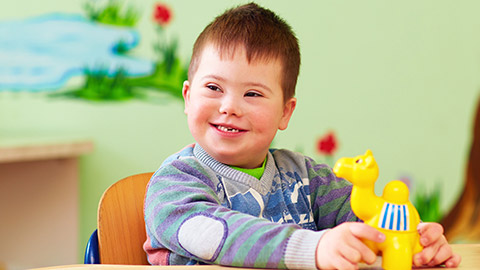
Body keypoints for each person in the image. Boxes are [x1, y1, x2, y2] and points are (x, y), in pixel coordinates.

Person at [143, 2, 461, 269]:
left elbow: (364, 226)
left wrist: (407, 243)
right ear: (187, 97)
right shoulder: (173, 184)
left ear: (285, 112)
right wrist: (313, 247)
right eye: (213, 88)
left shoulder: (307, 178)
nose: (230, 107)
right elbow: (215, 235)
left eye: (252, 94)